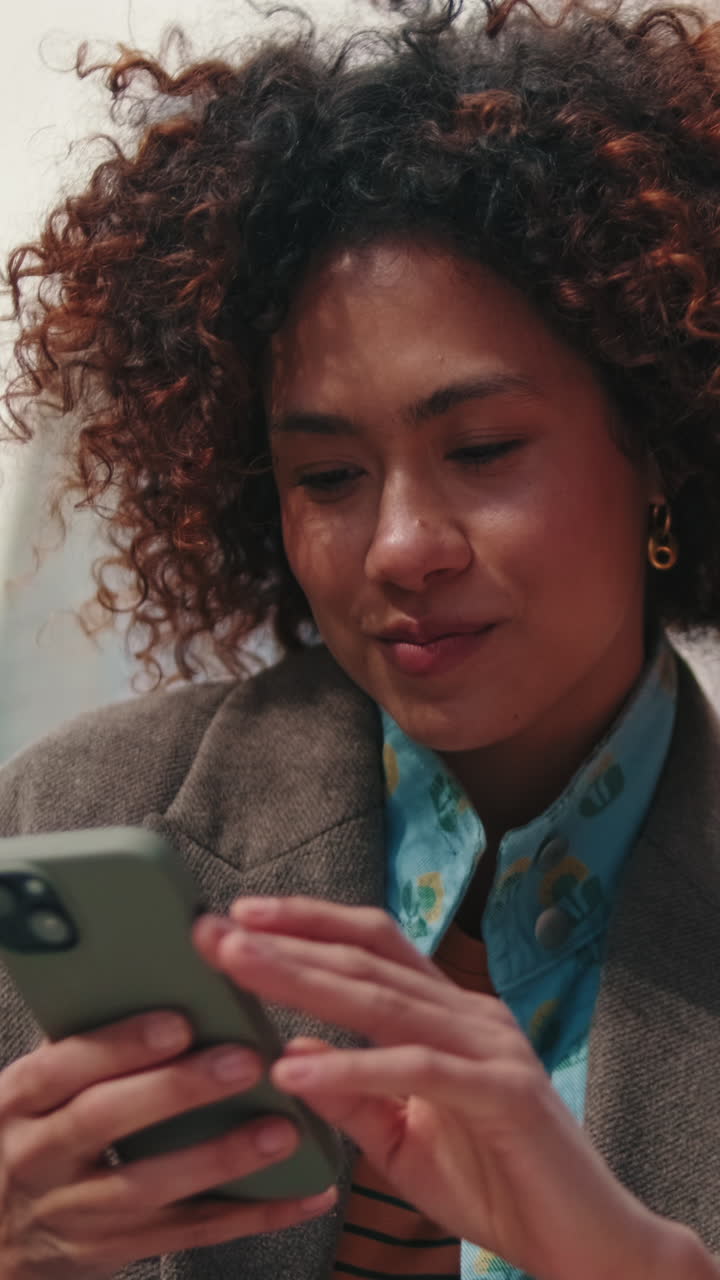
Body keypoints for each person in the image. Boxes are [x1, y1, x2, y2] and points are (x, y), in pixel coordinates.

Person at [1, 0, 720, 1275]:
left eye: (482, 448)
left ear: (659, 443)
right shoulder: (70, 815)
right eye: (328, 475)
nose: (401, 546)